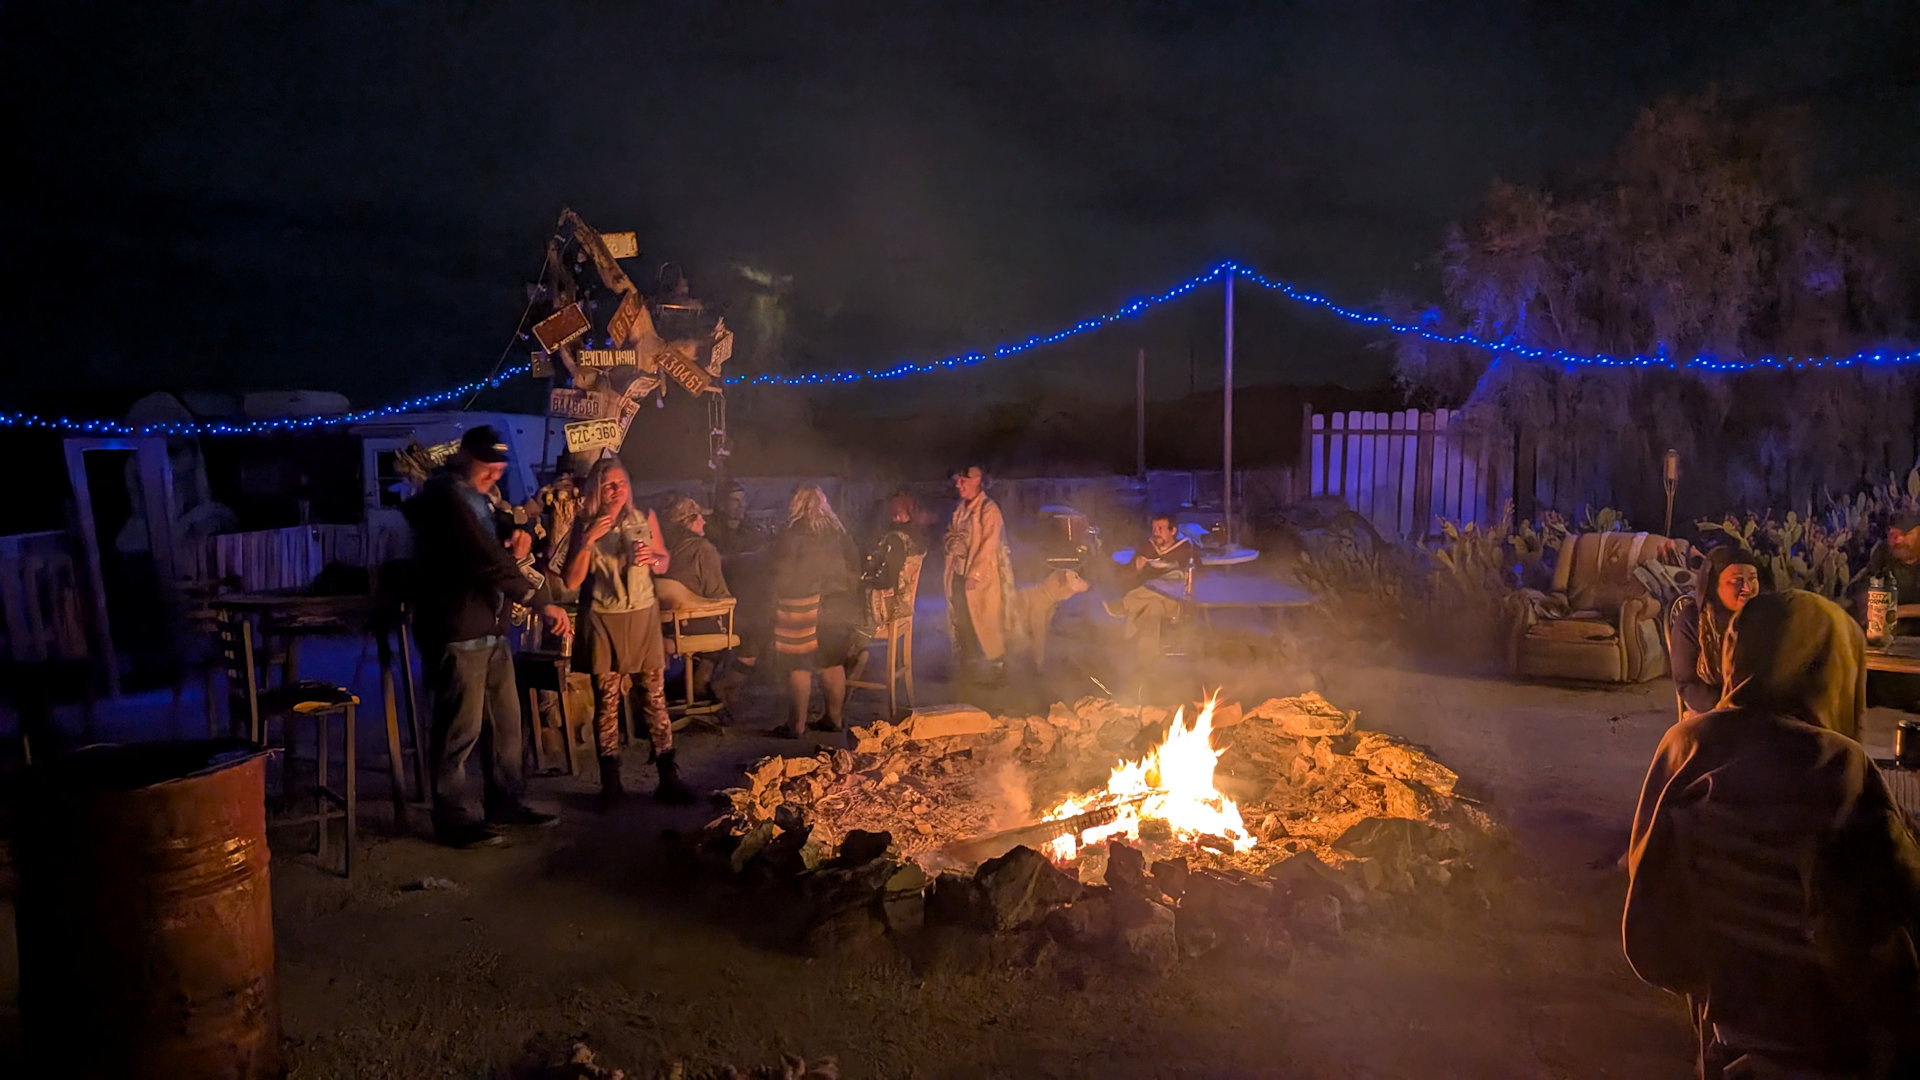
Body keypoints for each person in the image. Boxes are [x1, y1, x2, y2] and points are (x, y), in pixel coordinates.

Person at [1624, 590, 1920, 1078]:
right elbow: (1900, 893)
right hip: (1836, 1021)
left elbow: (1648, 873)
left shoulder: (1686, 744)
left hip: (1728, 997)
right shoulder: (1838, 764)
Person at [403, 425, 568, 849]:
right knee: (460, 730)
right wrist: (537, 600)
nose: (494, 475)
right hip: (457, 629)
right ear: (464, 458)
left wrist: (514, 533)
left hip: (491, 629)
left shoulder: (478, 498)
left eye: (499, 468)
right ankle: (454, 818)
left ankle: (505, 801)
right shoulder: (445, 498)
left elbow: (497, 539)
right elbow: (484, 559)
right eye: (487, 466)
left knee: (506, 724)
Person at [558, 458, 693, 806]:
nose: (617, 491)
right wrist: (589, 539)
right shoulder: (586, 524)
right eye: (609, 485)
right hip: (605, 616)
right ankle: (611, 783)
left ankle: (668, 775)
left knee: (654, 696)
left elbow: (664, 561)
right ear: (597, 490)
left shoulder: (643, 516)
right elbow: (572, 581)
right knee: (608, 702)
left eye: (622, 484)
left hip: (643, 612)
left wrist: (653, 559)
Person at [769, 485, 862, 736]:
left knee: (798, 664)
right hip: (838, 605)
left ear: (795, 505)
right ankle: (834, 719)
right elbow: (855, 565)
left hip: (803, 605)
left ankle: (796, 726)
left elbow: (780, 571)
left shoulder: (791, 533)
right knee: (832, 663)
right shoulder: (839, 531)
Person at [1666, 546, 1764, 722]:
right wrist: (1725, 707)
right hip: (1714, 710)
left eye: (1752, 579)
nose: (1747, 588)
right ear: (1714, 584)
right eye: (1736, 581)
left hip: (1760, 707)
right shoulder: (1693, 620)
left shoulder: (1766, 616)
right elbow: (1687, 682)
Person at [943, 465, 1014, 684]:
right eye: (958, 479)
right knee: (963, 622)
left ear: (979, 482)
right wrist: (952, 543)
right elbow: (950, 534)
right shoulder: (961, 509)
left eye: (964, 479)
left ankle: (998, 669)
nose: (958, 483)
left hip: (981, 580)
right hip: (958, 575)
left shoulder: (989, 510)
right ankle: (969, 668)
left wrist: (975, 574)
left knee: (987, 621)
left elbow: (988, 546)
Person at [1105, 513, 1196, 661]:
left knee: (1157, 586)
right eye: (1154, 528)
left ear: (1173, 531)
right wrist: (1136, 568)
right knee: (1153, 607)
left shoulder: (1186, 549)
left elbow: (1200, 575)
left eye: (1161, 528)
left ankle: (1126, 604)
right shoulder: (1146, 548)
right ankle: (1147, 659)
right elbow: (1123, 578)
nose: (1156, 532)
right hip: (1152, 601)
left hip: (1175, 601)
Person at [706, 479, 772, 560]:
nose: (741, 505)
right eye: (735, 500)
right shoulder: (711, 532)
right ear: (722, 504)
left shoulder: (751, 530)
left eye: (743, 500)